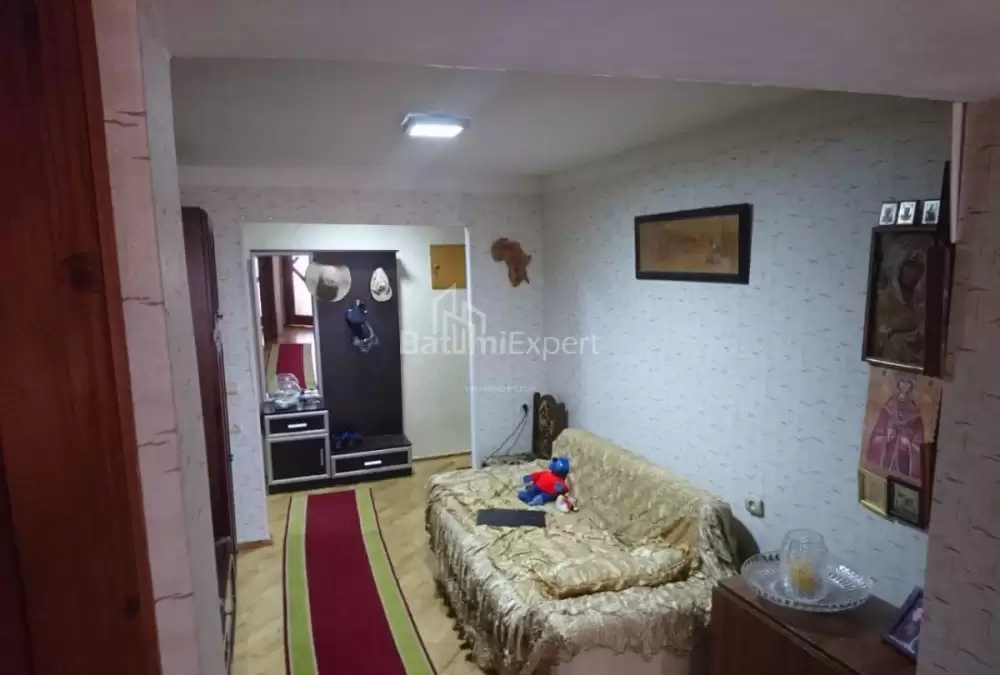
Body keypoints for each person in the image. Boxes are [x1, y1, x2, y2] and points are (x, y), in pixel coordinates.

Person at [866, 377, 924, 483]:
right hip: (887, 458)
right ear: (898, 383)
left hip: (904, 461)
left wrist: (909, 444)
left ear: (911, 385)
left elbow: (919, 443)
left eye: (908, 382)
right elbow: (876, 435)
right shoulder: (888, 407)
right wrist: (886, 437)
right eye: (902, 381)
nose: (904, 385)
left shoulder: (915, 413)